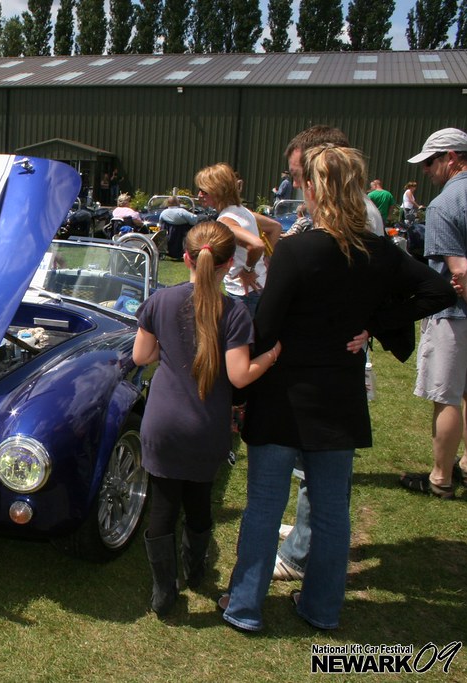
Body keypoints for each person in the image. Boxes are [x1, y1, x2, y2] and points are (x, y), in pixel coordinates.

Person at [219, 144, 454, 632]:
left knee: (265, 506)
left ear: (314, 187)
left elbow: (266, 325)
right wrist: (375, 321)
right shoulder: (380, 249)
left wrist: (244, 371)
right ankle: (322, 607)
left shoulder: (300, 250)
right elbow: (438, 289)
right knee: (331, 512)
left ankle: (244, 606)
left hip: (282, 392)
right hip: (338, 396)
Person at [132, 221, 280, 616]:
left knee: (162, 506)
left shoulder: (160, 301)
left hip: (161, 422)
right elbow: (239, 376)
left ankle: (164, 594)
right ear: (229, 264)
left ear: (185, 258)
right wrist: (271, 356)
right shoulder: (233, 313)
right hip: (206, 427)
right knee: (198, 503)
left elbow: (141, 356)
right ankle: (195, 571)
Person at [273, 125, 391, 584]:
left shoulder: (357, 218)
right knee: (318, 461)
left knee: (326, 463)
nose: (299, 184)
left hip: (332, 363)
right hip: (327, 358)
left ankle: (305, 553)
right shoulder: (337, 214)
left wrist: (372, 325)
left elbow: (381, 283)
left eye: (302, 174)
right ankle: (308, 537)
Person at [403, 127, 467, 499]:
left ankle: (440, 478)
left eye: (430, 162)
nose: (427, 170)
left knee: (446, 395)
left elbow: (457, 270)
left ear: (451, 158)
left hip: (455, 313)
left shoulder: (447, 204)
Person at [195, 163, 268, 317]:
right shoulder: (243, 211)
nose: (199, 195)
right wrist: (266, 260)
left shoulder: (226, 220)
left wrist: (248, 270)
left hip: (243, 291)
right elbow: (275, 227)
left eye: (204, 191)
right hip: (258, 286)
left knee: (240, 338)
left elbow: (257, 244)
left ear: (218, 191)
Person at [159, 196, 198, 260]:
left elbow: (160, 223)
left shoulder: (163, 213)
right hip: (182, 233)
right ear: (177, 202)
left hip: (169, 235)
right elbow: (193, 221)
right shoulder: (181, 211)